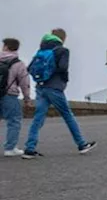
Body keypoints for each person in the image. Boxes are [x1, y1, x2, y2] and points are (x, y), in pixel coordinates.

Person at [23, 29, 96, 158]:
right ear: (63, 38)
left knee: (38, 118)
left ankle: (29, 148)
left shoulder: (41, 50)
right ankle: (81, 144)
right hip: (55, 87)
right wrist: (63, 78)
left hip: (40, 87)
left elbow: (29, 68)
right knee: (68, 115)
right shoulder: (62, 50)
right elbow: (63, 67)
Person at [2, 38, 32, 157]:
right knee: (14, 121)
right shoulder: (18, 64)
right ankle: (9, 148)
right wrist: (27, 98)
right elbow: (24, 83)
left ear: (6, 47)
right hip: (9, 94)